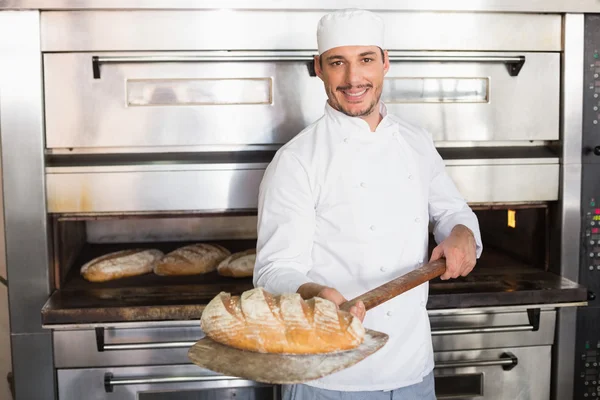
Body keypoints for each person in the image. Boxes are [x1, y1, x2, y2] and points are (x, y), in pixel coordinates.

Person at [253, 8, 483, 400]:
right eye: (337, 63)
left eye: (366, 60)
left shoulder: (415, 142)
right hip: (327, 376)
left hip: (412, 368)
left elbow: (452, 212)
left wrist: (461, 234)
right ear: (319, 69)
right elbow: (273, 271)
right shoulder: (296, 160)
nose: (353, 78)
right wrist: (314, 293)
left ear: (385, 63)